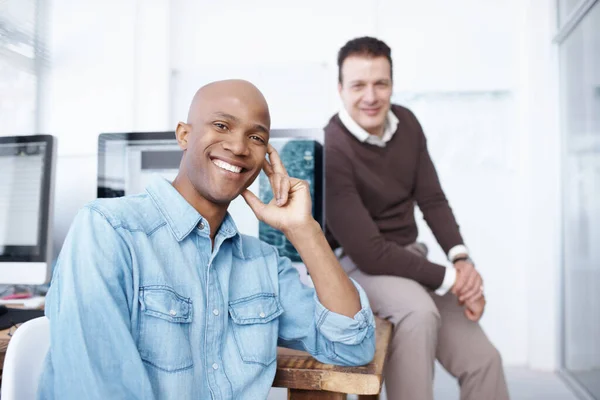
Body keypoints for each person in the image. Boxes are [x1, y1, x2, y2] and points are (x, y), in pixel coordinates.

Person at [38, 79, 376, 399]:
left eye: (256, 138)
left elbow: (351, 346)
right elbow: (98, 389)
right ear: (184, 135)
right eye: (222, 126)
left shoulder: (263, 263)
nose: (239, 146)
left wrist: (305, 231)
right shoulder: (108, 230)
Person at [324, 37, 509, 400]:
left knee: (485, 360)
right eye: (359, 85)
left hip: (411, 259)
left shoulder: (407, 123)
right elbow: (369, 253)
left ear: (392, 83)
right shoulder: (333, 148)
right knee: (419, 312)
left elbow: (433, 199)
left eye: (381, 83)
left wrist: (461, 260)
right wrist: (455, 280)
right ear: (340, 89)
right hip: (358, 267)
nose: (371, 96)